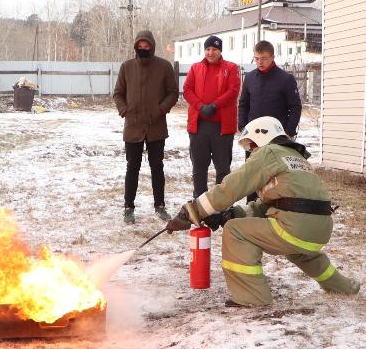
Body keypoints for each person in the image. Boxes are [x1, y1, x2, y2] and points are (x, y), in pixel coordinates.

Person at [166, 116, 360, 307]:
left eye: (251, 144)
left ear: (262, 135)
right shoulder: (295, 158)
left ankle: (252, 296)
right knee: (300, 251)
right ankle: (343, 287)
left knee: (235, 230)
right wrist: (231, 214)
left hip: (295, 225)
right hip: (319, 230)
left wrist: (192, 211)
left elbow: (231, 187)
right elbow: (276, 204)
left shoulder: (268, 153)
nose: (251, 151)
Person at [113, 30, 179, 223]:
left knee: (157, 167)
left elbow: (173, 93)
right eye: (140, 46)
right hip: (133, 127)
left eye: (146, 45)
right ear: (136, 46)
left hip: (156, 127)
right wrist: (124, 110)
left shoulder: (164, 66)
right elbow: (117, 93)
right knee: (132, 167)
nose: (143, 48)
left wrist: (161, 110)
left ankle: (160, 205)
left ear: (152, 45)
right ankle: (128, 207)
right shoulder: (127, 67)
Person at [239, 40, 302, 202]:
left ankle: (273, 208)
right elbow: (243, 104)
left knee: (274, 176)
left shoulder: (285, 79)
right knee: (251, 174)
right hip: (253, 137)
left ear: (273, 57)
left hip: (277, 138)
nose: (260, 62)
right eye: (257, 58)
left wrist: (288, 132)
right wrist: (243, 126)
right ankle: (250, 207)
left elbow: (295, 107)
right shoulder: (250, 78)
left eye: (264, 58)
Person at [183, 35, 241, 199]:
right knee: (199, 166)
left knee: (222, 168)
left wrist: (215, 105)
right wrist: (201, 106)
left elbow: (233, 91)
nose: (210, 52)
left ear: (220, 51)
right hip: (199, 126)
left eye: (214, 49)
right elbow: (187, 90)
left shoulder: (231, 68)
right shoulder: (196, 68)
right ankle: (199, 201)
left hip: (222, 127)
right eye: (208, 49)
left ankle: (220, 203)